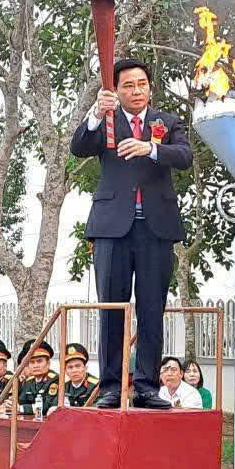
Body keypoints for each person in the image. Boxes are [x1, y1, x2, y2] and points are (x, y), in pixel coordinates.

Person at [70, 56, 192, 409]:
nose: (136, 90)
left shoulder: (166, 122)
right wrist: (95, 112)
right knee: (113, 308)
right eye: (128, 85)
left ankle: (146, 386)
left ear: (150, 87)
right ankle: (110, 386)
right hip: (112, 229)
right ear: (115, 90)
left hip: (156, 228)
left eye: (142, 84)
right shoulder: (105, 122)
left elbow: (184, 156)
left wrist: (150, 148)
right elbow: (78, 147)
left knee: (152, 309)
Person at [7, 340, 58, 416]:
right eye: (32, 362)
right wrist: (11, 404)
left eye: (39, 361)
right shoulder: (30, 381)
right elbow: (21, 400)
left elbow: (46, 406)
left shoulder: (54, 379)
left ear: (48, 363)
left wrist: (20, 409)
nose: (35, 365)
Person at [62, 343, 99, 408]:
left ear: (85, 368)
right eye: (70, 367)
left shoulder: (95, 386)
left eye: (78, 366)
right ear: (65, 371)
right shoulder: (64, 387)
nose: (74, 370)